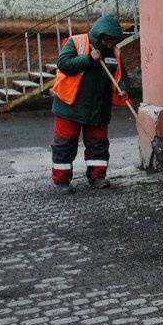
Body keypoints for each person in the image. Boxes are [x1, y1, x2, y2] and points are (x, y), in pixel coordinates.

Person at [50, 13, 128, 193]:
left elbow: (121, 77)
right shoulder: (77, 42)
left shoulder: (114, 52)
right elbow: (64, 63)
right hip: (69, 107)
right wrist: (88, 59)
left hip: (99, 109)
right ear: (100, 35)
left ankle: (97, 177)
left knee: (98, 145)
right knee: (65, 144)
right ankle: (61, 181)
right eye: (107, 41)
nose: (110, 44)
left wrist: (122, 88)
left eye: (113, 41)